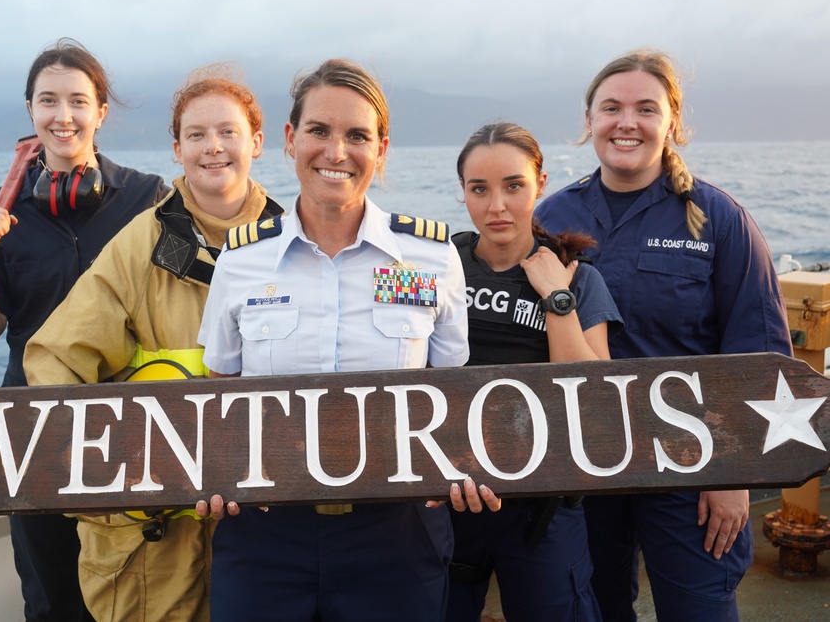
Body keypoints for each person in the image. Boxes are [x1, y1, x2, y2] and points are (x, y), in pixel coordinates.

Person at [196, 58, 469, 622]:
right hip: (265, 533)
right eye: (319, 130)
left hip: (399, 533)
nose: (337, 152)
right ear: (292, 139)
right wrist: (216, 472)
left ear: (382, 148)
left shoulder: (431, 258)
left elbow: (453, 393)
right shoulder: (241, 259)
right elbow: (217, 391)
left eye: (357, 136)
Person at [535, 49, 792, 622]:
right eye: (611, 108)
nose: (627, 122)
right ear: (588, 121)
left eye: (645, 109)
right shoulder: (551, 217)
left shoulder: (720, 219)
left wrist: (736, 477)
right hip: (583, 464)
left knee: (698, 608)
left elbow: (762, 354)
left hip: (692, 465)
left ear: (672, 121)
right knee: (592, 607)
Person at [23, 65, 283, 622]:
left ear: (256, 142)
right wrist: (119, 488)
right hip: (152, 546)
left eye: (228, 132)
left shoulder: (295, 246)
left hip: (265, 541)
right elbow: (55, 363)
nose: (213, 147)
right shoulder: (137, 245)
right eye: (196, 135)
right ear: (176, 149)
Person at [0, 38, 168, 622]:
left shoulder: (152, 198)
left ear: (102, 111)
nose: (63, 115)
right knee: (50, 597)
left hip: (131, 424)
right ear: (30, 110)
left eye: (78, 100)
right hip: (32, 430)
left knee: (143, 592)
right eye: (48, 100)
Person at [445, 122, 621, 622]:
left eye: (513, 185)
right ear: (463, 193)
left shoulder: (577, 278)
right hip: (448, 497)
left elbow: (597, 394)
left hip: (541, 507)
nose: (496, 205)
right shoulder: (441, 267)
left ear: (540, 183)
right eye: (479, 189)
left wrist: (556, 300)